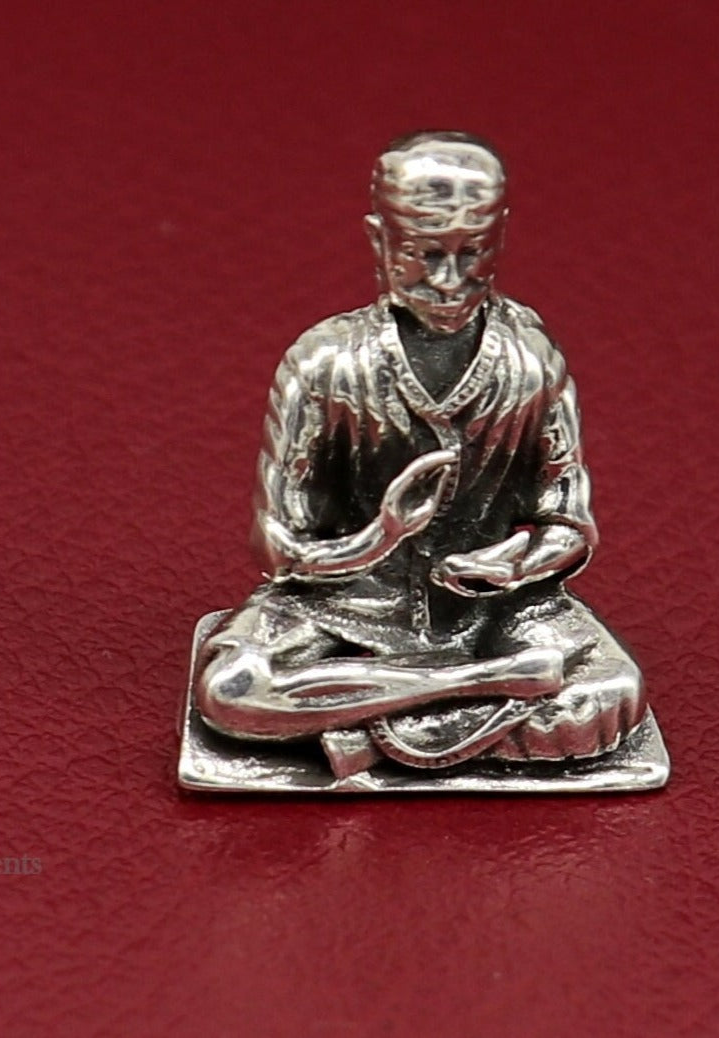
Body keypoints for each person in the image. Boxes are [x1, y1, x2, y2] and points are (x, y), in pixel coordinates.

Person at [195, 131, 646, 778]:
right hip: (345, 604)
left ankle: (364, 734)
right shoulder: (324, 364)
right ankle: (481, 687)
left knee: (613, 694)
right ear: (380, 241)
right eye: (425, 254)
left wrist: (513, 564)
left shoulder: (532, 364)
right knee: (229, 692)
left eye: (473, 253)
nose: (449, 281)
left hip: (492, 614)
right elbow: (276, 547)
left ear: (500, 236)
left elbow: (567, 522)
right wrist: (377, 538)